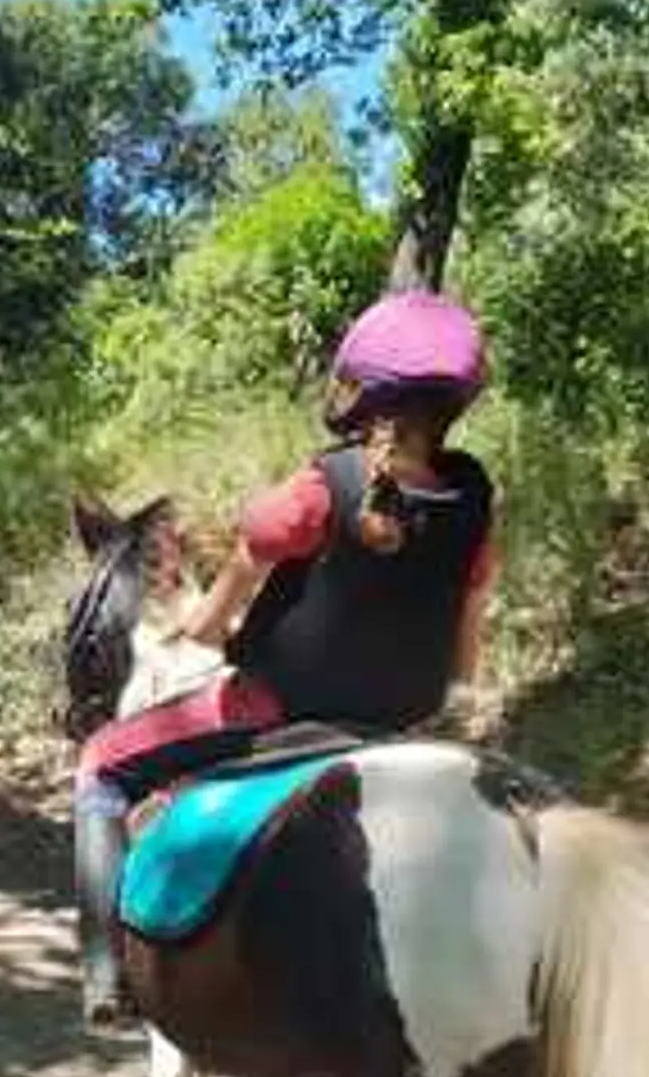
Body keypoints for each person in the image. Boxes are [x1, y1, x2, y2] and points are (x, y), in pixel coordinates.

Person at [71, 291, 500, 1034]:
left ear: (367, 393)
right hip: (406, 716)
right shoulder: (474, 497)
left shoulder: (323, 484)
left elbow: (244, 563)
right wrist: (446, 694)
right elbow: (468, 638)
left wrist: (202, 628)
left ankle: (108, 975)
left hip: (280, 704)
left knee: (103, 765)